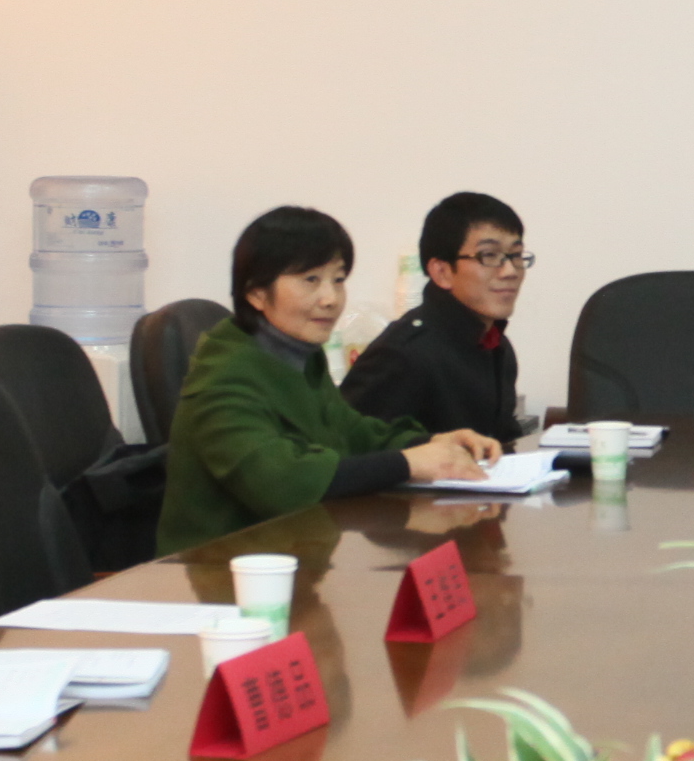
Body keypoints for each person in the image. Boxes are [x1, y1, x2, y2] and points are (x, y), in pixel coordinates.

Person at [163, 206, 506, 548]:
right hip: (218, 567)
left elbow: (351, 432)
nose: (331, 299)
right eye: (310, 280)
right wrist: (407, 464)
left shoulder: (297, 355)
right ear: (257, 293)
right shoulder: (225, 375)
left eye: (338, 280)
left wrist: (433, 443)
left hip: (292, 553)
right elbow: (280, 482)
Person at [344, 192, 535, 442]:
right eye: (489, 255)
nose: (510, 271)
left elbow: (502, 444)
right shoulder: (403, 354)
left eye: (516, 255)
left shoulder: (496, 346)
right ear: (442, 272)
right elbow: (352, 450)